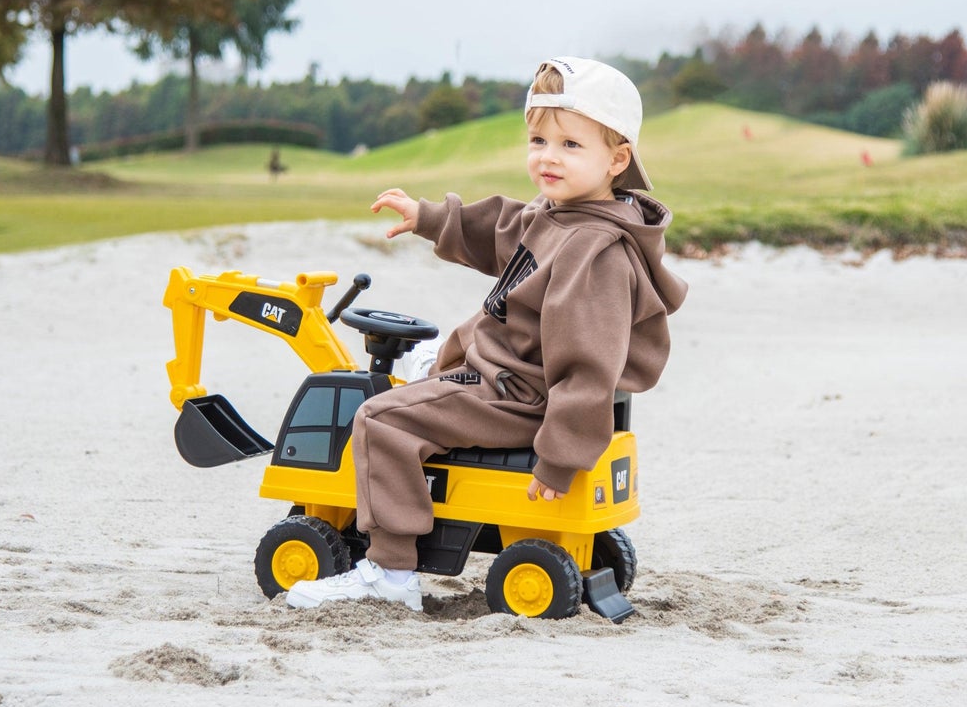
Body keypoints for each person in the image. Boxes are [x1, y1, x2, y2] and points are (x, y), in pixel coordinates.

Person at [286, 56, 688, 612]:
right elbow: (499, 228)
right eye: (538, 139)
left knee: (379, 419)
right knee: (424, 365)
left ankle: (389, 571)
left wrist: (560, 454)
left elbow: (588, 363)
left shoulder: (592, 252)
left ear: (618, 159)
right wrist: (427, 217)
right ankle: (432, 384)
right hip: (505, 371)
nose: (548, 156)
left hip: (518, 394)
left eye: (571, 145)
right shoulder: (560, 216)